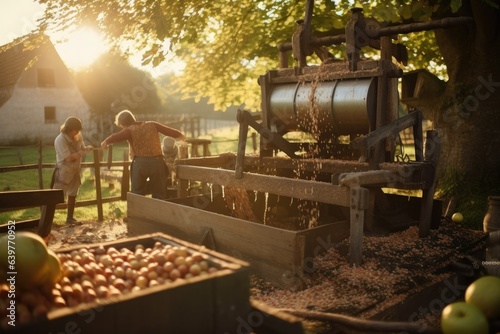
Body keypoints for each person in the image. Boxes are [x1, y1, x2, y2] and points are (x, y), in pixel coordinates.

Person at [101, 110, 185, 199]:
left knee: (137, 193)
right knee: (159, 193)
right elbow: (169, 131)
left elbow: (117, 136)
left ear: (123, 124)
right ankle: (158, 212)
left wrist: (106, 141)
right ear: (133, 118)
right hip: (156, 162)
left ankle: (139, 212)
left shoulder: (129, 130)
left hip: (140, 164)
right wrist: (180, 135)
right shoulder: (152, 124)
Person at [53, 116, 92, 223]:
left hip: (75, 170)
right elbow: (68, 158)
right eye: (75, 130)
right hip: (63, 171)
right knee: (56, 197)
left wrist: (86, 148)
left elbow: (82, 147)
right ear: (68, 129)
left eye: (78, 130)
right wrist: (82, 153)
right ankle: (48, 219)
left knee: (73, 194)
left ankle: (69, 218)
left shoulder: (78, 135)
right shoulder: (60, 140)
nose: (77, 132)